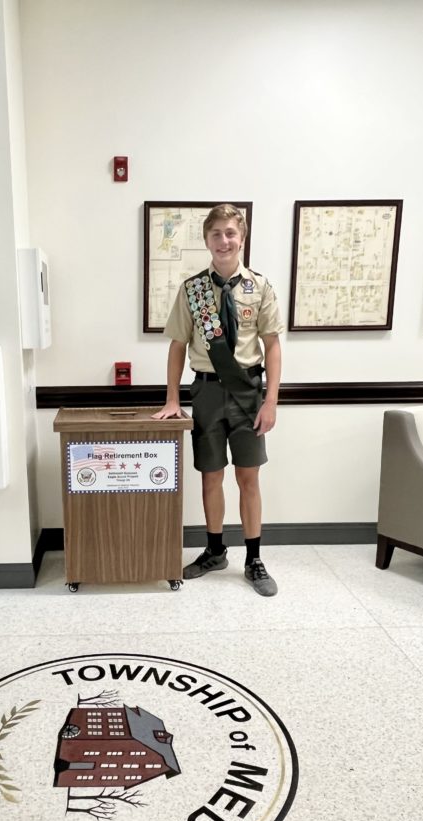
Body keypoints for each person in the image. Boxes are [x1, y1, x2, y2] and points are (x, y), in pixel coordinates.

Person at [152, 203, 284, 595]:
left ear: (241, 238)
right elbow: (178, 346)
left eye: (230, 233)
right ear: (206, 241)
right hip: (207, 391)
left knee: (248, 477)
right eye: (216, 234)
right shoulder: (192, 290)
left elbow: (272, 346)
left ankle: (254, 558)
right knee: (211, 475)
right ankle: (214, 550)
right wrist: (173, 398)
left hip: (248, 392)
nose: (224, 241)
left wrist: (271, 400)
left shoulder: (258, 287)